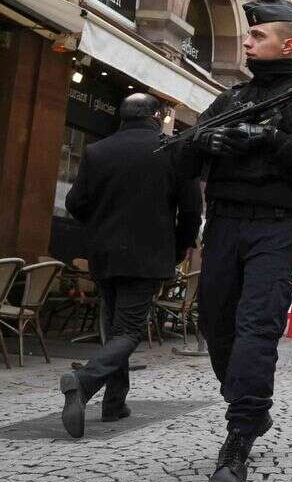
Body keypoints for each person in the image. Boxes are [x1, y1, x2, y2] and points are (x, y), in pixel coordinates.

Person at [180, 0, 292, 482]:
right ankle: (248, 404)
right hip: (225, 225)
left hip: (276, 229)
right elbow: (183, 152)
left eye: (257, 36)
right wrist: (209, 145)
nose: (246, 42)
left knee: (255, 329)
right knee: (214, 323)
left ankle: (237, 443)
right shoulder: (232, 97)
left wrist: (272, 140)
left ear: (287, 45)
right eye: (248, 36)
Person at [58, 94, 202, 438]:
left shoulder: (97, 151)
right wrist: (180, 245)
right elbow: (192, 209)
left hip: (104, 253)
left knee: (113, 326)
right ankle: (83, 381)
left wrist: (100, 226)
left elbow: (75, 203)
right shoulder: (173, 150)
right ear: (156, 116)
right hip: (149, 253)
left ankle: (114, 403)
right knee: (129, 330)